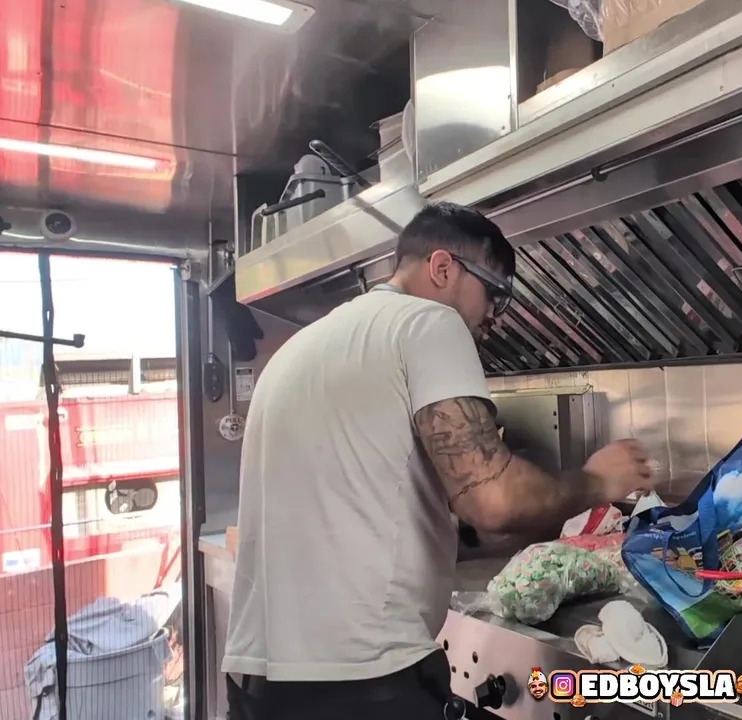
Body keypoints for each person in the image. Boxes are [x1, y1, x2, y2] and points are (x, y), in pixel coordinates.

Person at [222, 202, 655, 719]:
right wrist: (597, 480)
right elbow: (492, 501)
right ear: (443, 267)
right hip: (361, 680)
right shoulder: (429, 322)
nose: (494, 316)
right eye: (494, 293)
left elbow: (370, 509)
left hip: (260, 681)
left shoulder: (304, 346)